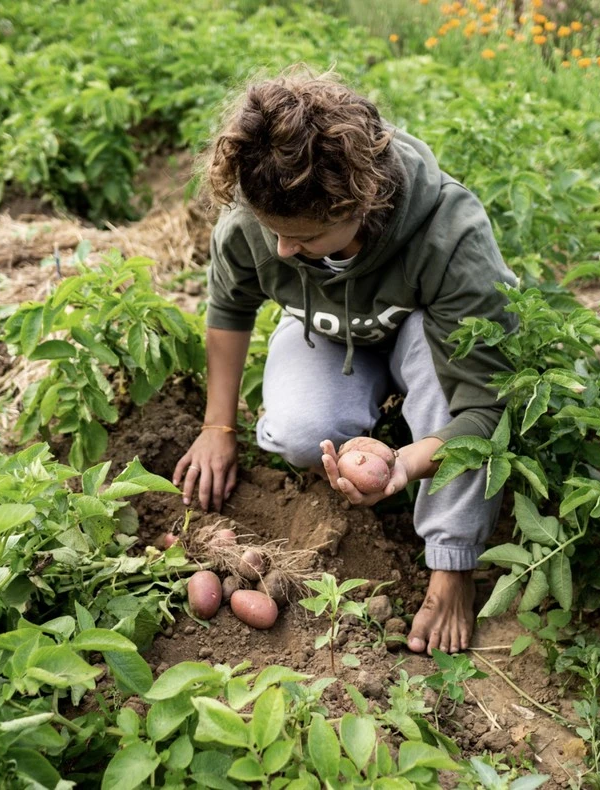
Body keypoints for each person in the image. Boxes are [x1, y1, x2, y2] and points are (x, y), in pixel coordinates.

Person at [171, 66, 517, 655]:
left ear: (358, 205)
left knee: (445, 386)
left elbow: (486, 409)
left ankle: (451, 563)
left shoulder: (449, 235)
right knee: (299, 434)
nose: (281, 250)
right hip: (326, 327)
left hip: (423, 326)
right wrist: (217, 427)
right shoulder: (259, 213)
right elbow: (229, 308)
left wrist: (406, 466)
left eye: (300, 238)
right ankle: (370, 424)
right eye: (271, 231)